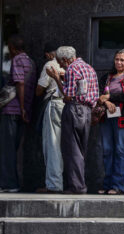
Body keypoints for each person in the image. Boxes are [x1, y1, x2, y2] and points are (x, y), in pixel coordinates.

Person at [46, 46, 99, 194]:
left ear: (64, 59)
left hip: (74, 109)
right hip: (87, 111)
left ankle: (77, 187)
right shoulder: (89, 68)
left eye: (60, 62)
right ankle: (79, 184)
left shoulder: (71, 69)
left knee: (72, 149)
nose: (61, 66)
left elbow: (68, 95)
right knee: (81, 150)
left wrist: (57, 78)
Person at [97, 49, 124, 195]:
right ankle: (107, 183)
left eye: (122, 60)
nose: (119, 62)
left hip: (123, 118)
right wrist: (106, 102)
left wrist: (109, 97)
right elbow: (100, 95)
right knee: (107, 150)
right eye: (116, 59)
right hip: (106, 117)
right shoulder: (107, 77)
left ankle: (118, 186)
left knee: (121, 150)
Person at [0, 34, 36, 193]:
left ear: (13, 48)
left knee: (7, 150)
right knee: (12, 149)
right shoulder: (31, 62)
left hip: (12, 111)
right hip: (24, 111)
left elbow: (20, 83)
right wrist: (25, 109)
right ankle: (12, 182)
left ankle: (9, 184)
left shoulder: (17, 60)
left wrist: (21, 107)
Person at [35, 42, 65, 193]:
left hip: (54, 104)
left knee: (52, 145)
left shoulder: (50, 64)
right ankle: (69, 183)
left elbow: (40, 89)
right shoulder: (74, 64)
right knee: (66, 147)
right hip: (69, 106)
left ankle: (54, 184)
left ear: (48, 54)